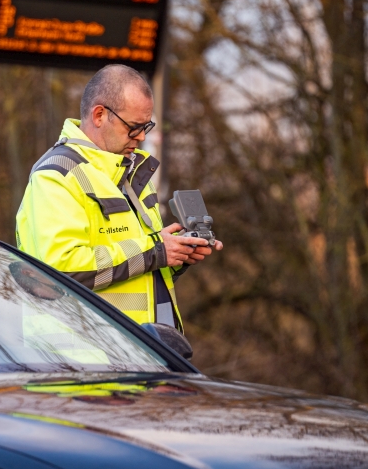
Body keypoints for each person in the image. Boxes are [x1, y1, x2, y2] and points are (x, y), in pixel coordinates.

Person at [16, 64, 222, 330]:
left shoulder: (131, 173)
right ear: (100, 115)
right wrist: (156, 251)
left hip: (145, 353)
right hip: (86, 360)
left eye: (147, 126)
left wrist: (176, 254)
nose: (142, 136)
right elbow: (61, 269)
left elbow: (134, 271)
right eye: (134, 127)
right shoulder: (56, 175)